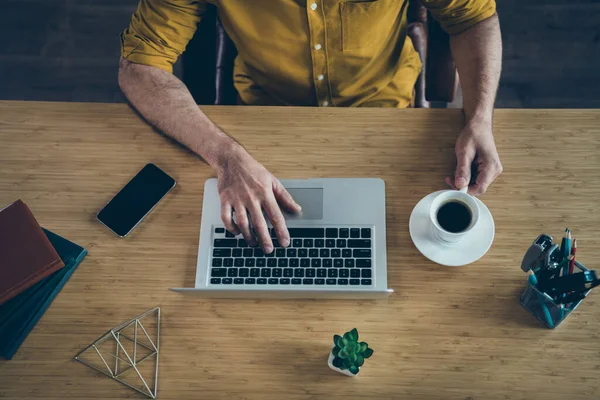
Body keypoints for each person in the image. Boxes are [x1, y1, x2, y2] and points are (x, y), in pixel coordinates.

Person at [118, 0, 503, 253]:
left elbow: (472, 17)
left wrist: (480, 117)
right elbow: (138, 67)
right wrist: (228, 157)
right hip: (263, 122)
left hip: (384, 114)